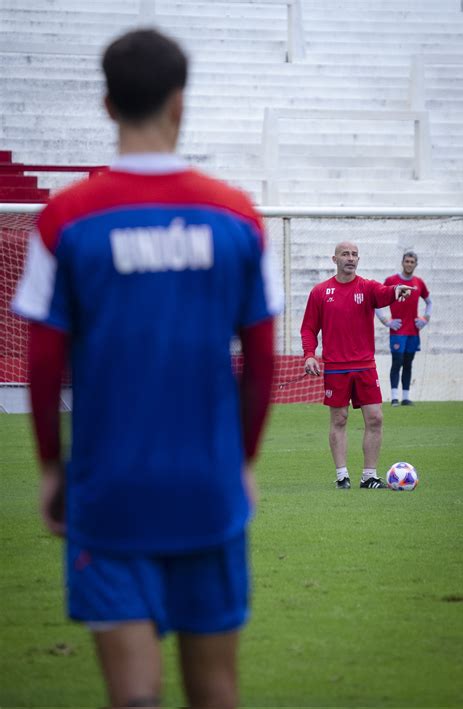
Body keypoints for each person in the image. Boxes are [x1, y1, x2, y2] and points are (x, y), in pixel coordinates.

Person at [12, 29, 283, 709]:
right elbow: (262, 361)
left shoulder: (65, 219)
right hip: (207, 488)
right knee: (216, 691)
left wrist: (52, 467)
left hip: (111, 493)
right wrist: (243, 459)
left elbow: (42, 363)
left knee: (135, 699)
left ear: (106, 105)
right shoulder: (238, 217)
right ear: (179, 103)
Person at [300, 242, 413, 490]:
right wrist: (309, 355)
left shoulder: (367, 287)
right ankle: (342, 476)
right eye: (345, 254)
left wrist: (397, 290)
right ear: (334, 259)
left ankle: (369, 476)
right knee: (339, 419)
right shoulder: (320, 292)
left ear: (358, 260)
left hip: (364, 366)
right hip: (336, 367)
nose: (350, 258)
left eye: (354, 255)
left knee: (375, 418)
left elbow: (384, 293)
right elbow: (309, 327)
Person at [375, 251, 432, 406]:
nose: (409, 264)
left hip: (413, 332)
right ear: (402, 262)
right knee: (397, 361)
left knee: (408, 363)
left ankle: (405, 397)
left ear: (416, 264)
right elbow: (376, 300)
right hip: (397, 331)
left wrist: (425, 319)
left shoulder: (419, 283)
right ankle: (394, 397)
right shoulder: (392, 280)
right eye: (407, 261)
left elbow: (429, 302)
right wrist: (386, 321)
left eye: (412, 262)